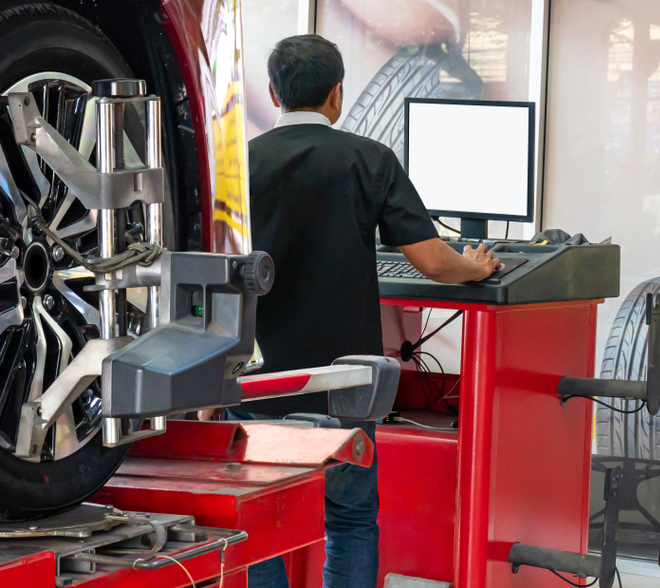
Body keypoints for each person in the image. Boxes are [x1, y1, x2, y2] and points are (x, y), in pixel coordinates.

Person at [206, 34, 499, 588]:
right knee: (351, 519)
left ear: (273, 93)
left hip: (257, 386)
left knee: (259, 526)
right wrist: (476, 267)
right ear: (337, 95)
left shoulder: (237, 167)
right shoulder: (369, 160)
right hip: (346, 388)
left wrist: (204, 384)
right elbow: (433, 262)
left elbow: (213, 277)